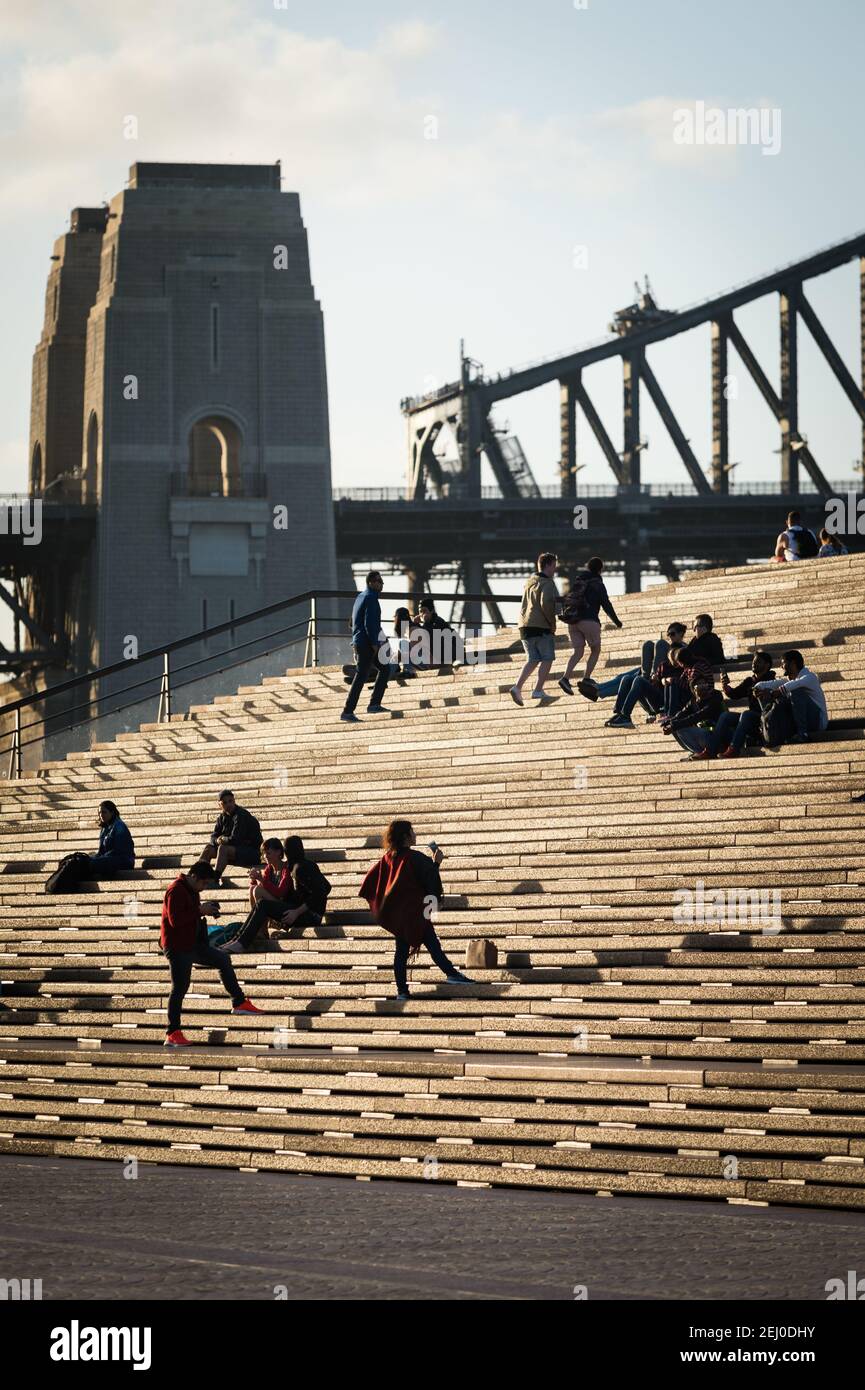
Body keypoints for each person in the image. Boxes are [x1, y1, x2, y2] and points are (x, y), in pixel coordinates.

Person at [359, 820, 473, 1001]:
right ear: (405, 836)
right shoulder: (414, 857)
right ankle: (451, 974)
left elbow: (372, 881)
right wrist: (437, 862)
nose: (415, 835)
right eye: (412, 832)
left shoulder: (388, 858)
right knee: (431, 944)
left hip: (401, 915)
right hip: (415, 914)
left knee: (403, 952)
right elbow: (430, 877)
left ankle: (402, 991)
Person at [161, 861, 262, 1046]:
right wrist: (199, 910)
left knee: (223, 959)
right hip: (177, 946)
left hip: (193, 944)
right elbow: (176, 920)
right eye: (204, 883)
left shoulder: (191, 890)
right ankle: (172, 1033)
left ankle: (239, 1003)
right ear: (194, 877)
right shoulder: (175, 890)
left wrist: (205, 911)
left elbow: (190, 915)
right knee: (179, 988)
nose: (204, 887)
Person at [558, 556, 623, 697]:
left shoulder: (579, 580)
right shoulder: (598, 584)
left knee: (578, 652)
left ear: (588, 567)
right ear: (600, 569)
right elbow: (606, 604)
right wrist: (616, 621)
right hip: (589, 620)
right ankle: (586, 678)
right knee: (595, 649)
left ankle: (565, 678)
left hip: (573, 621)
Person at [45, 801, 137, 893]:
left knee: (88, 863)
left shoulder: (119, 826)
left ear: (112, 812)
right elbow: (101, 851)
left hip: (123, 861)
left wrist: (97, 859)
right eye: (99, 813)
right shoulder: (105, 828)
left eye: (104, 812)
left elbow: (119, 851)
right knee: (82, 860)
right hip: (109, 858)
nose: (101, 815)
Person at [603, 631, 688, 728]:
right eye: (670, 655)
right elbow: (656, 684)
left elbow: (684, 685)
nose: (672, 658)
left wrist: (666, 680)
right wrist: (655, 679)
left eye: (674, 655)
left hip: (667, 702)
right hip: (656, 697)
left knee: (639, 680)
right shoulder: (664, 665)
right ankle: (619, 713)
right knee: (627, 679)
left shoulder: (683, 667)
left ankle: (626, 716)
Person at [706, 651, 776, 759]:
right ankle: (710, 750)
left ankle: (734, 749)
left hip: (764, 718)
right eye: (753, 661)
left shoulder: (771, 681)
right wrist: (725, 685)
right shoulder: (750, 680)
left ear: (767, 665)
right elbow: (734, 694)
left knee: (746, 714)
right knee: (725, 716)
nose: (754, 664)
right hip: (750, 718)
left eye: (758, 661)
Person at [342, 570, 391, 722]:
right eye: (378, 581)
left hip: (361, 641)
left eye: (382, 581)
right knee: (361, 676)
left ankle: (374, 704)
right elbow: (370, 624)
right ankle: (348, 711)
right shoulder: (370, 598)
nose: (381, 584)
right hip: (366, 643)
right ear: (371, 582)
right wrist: (374, 644)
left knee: (384, 668)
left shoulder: (361, 596)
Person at [510, 552, 559, 706]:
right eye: (554, 566)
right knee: (548, 658)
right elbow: (546, 604)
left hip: (524, 626)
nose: (555, 569)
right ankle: (538, 689)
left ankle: (517, 687)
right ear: (548, 565)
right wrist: (552, 623)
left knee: (533, 659)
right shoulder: (548, 583)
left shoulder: (529, 582)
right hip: (541, 626)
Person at [754, 650, 828, 745]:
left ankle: (803, 735)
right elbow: (767, 684)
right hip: (799, 721)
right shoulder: (788, 681)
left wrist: (775, 692)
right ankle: (769, 731)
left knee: (795, 691)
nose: (781, 667)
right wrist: (757, 689)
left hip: (817, 721)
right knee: (766, 692)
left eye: (783, 663)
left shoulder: (810, 677)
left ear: (793, 664)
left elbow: (796, 684)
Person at [199, 789, 262, 881]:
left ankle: (214, 879)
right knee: (208, 848)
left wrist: (224, 839)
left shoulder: (241, 815)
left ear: (234, 801)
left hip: (252, 852)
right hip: (236, 851)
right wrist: (217, 840)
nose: (228, 804)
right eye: (224, 802)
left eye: (230, 801)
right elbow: (213, 837)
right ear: (220, 805)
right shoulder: (222, 817)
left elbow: (236, 839)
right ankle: (198, 875)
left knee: (223, 848)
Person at [659, 674, 726, 759]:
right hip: (704, 733)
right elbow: (681, 714)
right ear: (693, 689)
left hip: (716, 736)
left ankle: (704, 753)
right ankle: (698, 752)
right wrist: (668, 722)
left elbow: (698, 716)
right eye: (700, 685)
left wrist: (674, 725)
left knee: (677, 726)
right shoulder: (693, 701)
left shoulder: (715, 696)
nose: (703, 687)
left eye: (705, 684)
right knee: (675, 727)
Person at [416, 598, 458, 667]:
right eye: (420, 611)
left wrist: (417, 625)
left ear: (431, 610)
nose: (422, 614)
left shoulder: (438, 622)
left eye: (424, 611)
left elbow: (429, 636)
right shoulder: (428, 623)